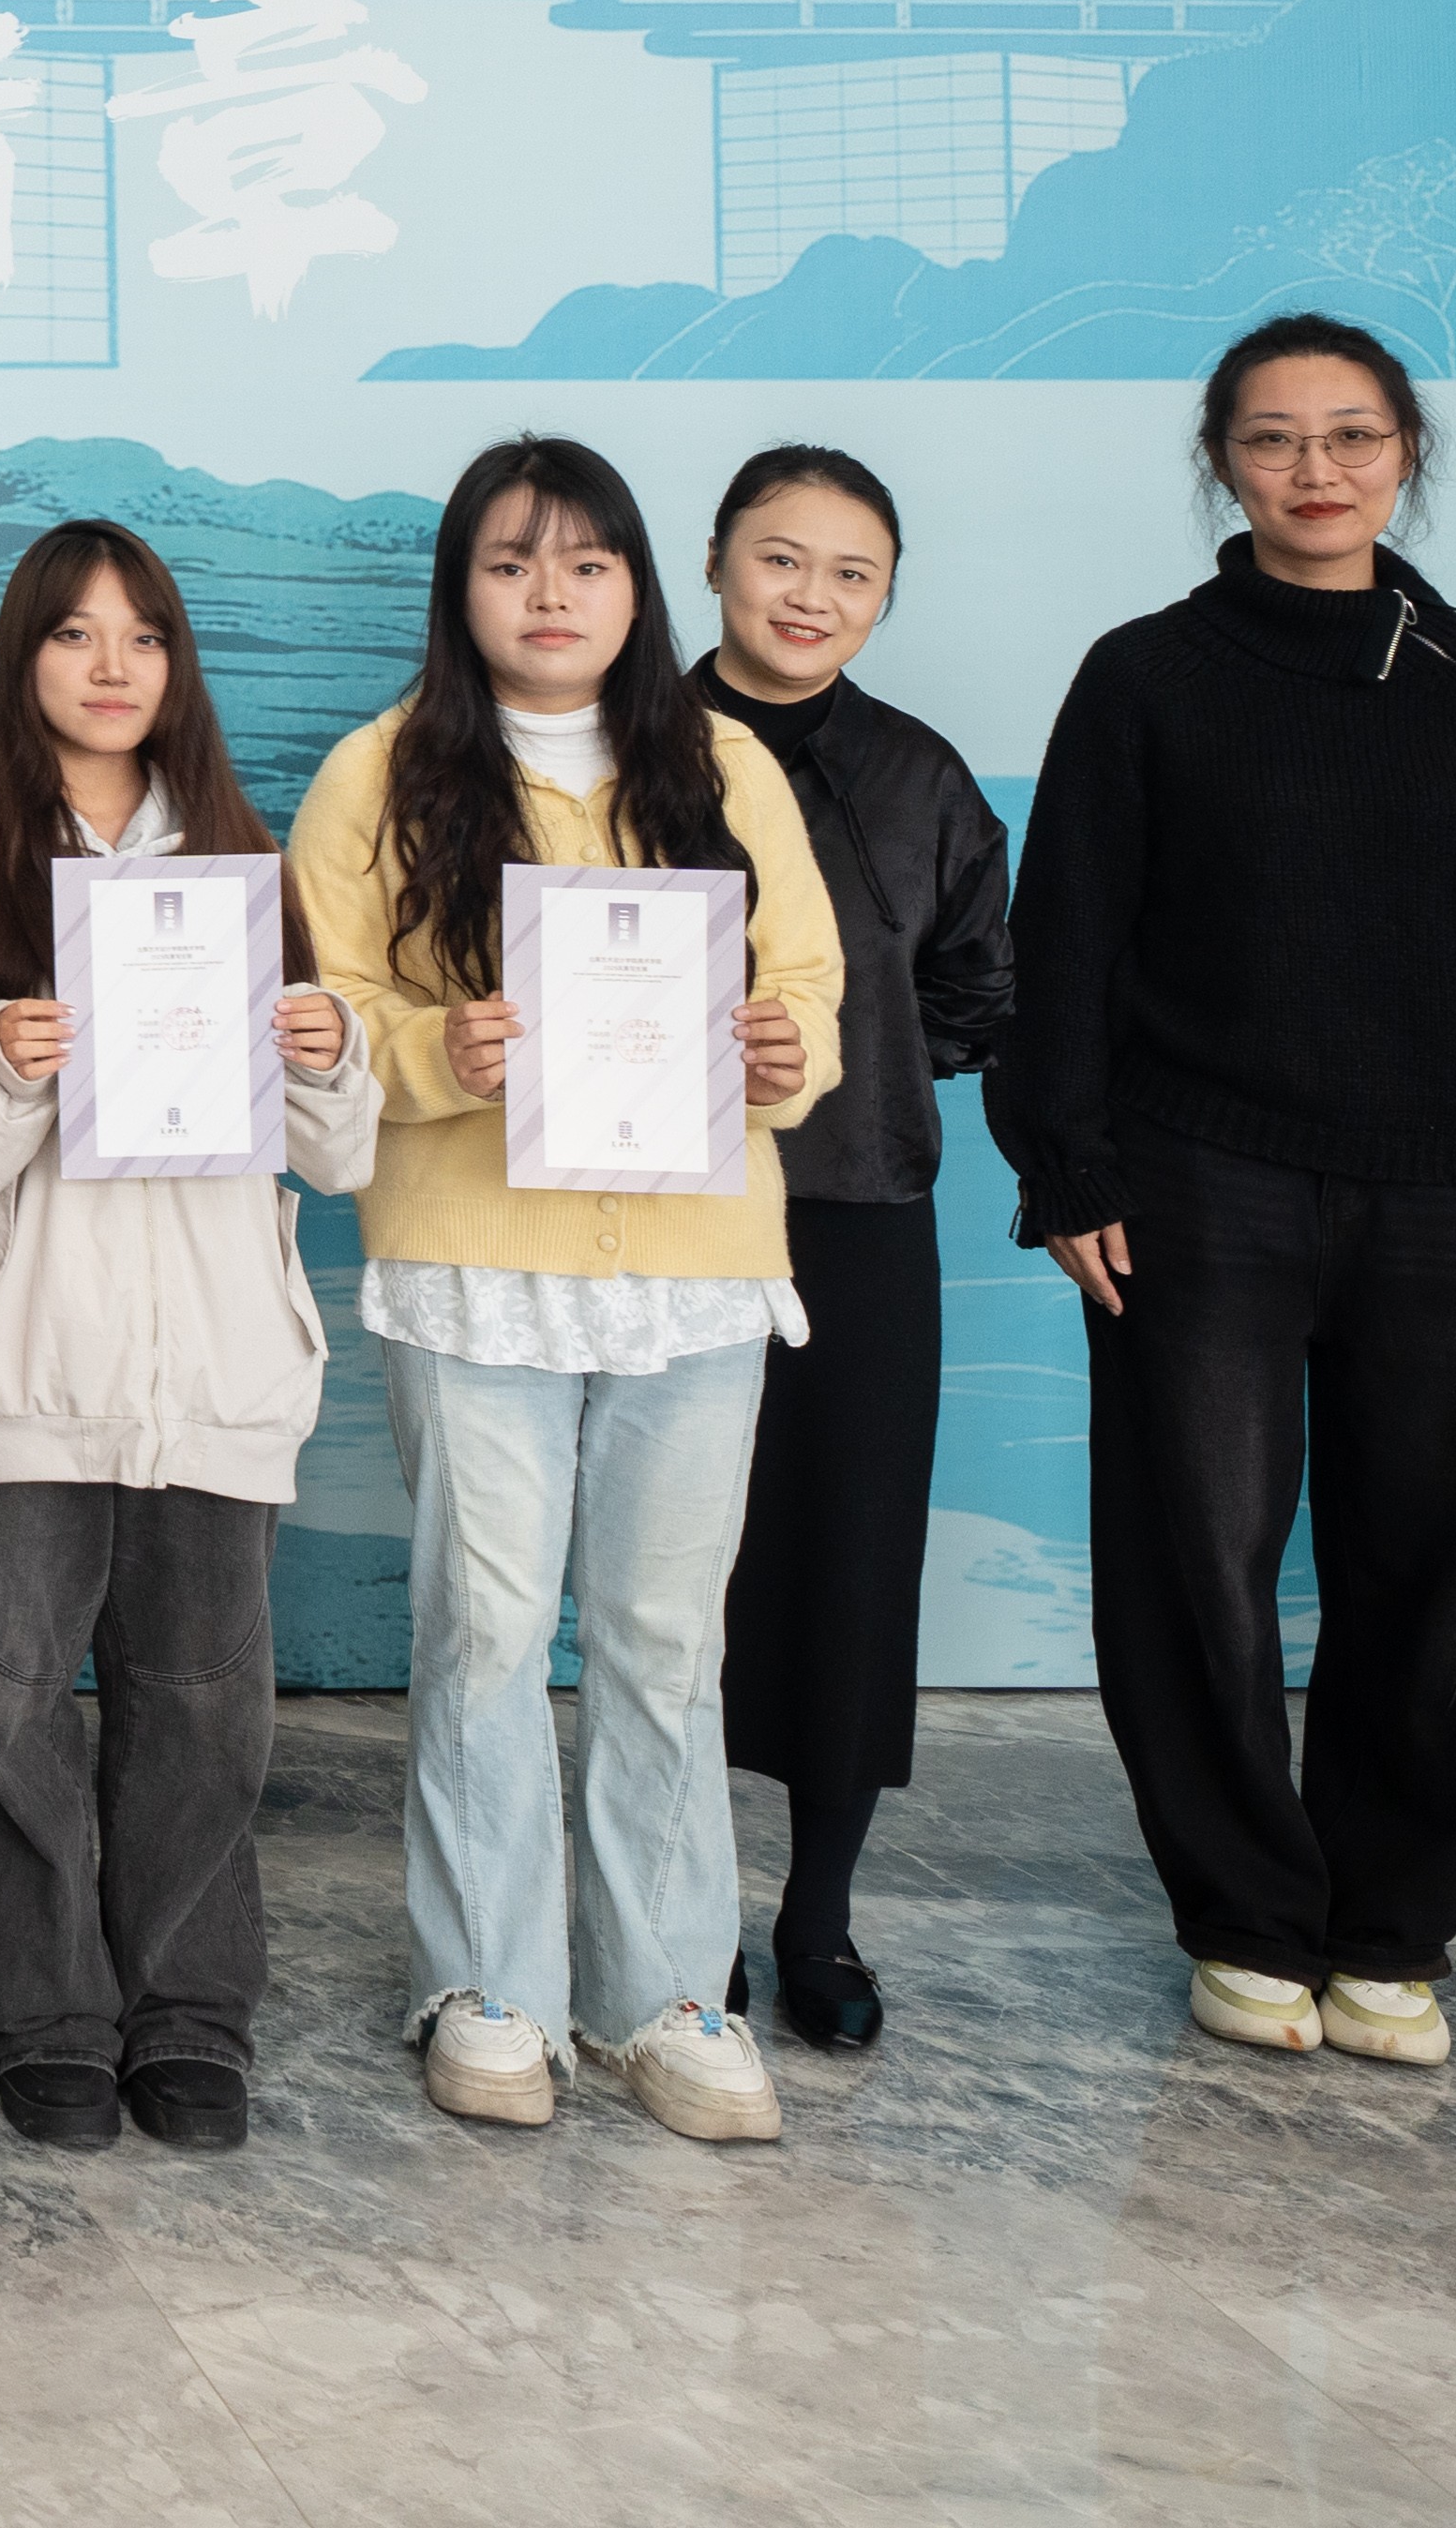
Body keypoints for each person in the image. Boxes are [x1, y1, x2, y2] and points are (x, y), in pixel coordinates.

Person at [987, 314, 1456, 2072]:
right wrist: (1063, 1161)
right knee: (1192, 1561)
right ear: (1221, 459)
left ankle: (1388, 1930)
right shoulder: (1145, 673)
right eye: (1274, 437)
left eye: (1351, 435)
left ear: (1404, 453)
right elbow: (1065, 935)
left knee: (1440, 1574)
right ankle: (1242, 1919)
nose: (1315, 469)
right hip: (1197, 1183)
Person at [284, 435, 839, 2148]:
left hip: (693, 1273)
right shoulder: (377, 773)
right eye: (512, 561)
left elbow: (808, 981)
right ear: (459, 587)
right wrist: (431, 1053)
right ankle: (486, 1984)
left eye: (587, 562)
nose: (550, 593)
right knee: (486, 1629)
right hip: (475, 1266)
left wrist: (785, 1054)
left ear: (635, 587)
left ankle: (662, 1992)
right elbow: (325, 1006)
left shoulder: (723, 762)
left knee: (667, 1640)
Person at [0, 519, 375, 2156]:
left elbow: (338, 1153)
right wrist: (4, 1065)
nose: (110, 667)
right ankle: (44, 2012)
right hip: (18, 1355)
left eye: (144, 636)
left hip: (212, 1362)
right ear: (19, 653)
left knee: (200, 1707)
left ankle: (187, 2010)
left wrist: (324, 1047)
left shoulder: (241, 854)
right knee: (10, 1707)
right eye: (73, 633)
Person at [692, 447, 1012, 2051]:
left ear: (882, 598)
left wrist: (859, 1070)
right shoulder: (625, 742)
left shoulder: (917, 774)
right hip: (661, 1217)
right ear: (711, 562)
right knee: (678, 1571)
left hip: (859, 1213)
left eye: (848, 573)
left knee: (849, 1564)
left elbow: (974, 986)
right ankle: (679, 1908)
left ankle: (815, 1913)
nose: (807, 595)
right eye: (778, 557)